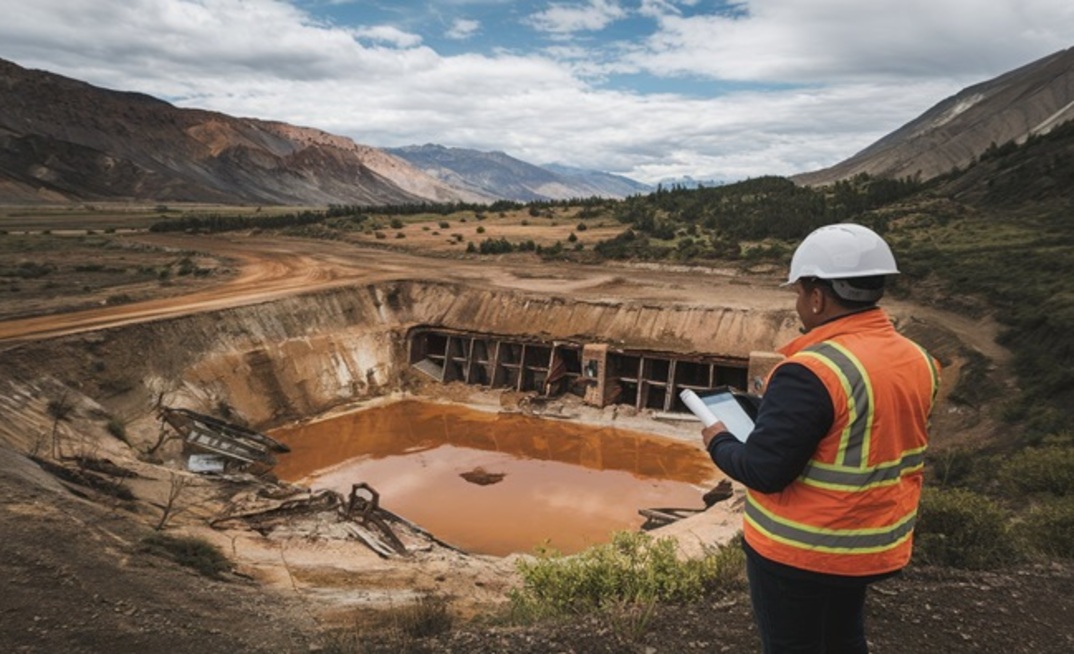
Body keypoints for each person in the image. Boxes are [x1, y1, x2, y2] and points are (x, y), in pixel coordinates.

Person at [702, 223, 940, 654]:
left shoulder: (812, 370)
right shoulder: (918, 359)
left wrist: (719, 440)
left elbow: (764, 471)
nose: (798, 303)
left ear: (817, 295)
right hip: (872, 543)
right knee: (843, 639)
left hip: (802, 550)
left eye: (798, 292)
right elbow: (859, 426)